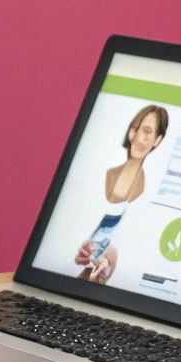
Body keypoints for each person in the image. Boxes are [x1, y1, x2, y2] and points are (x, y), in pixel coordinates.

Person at [74, 105, 169, 283]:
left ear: (157, 140)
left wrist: (105, 262)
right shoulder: (103, 174)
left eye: (148, 132)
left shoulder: (147, 194)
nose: (140, 138)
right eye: (136, 129)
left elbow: (114, 252)